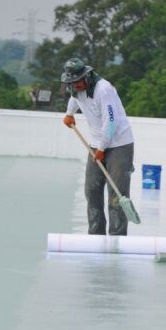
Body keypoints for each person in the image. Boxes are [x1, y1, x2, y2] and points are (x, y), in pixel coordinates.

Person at [60, 57, 134, 236]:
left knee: (117, 194)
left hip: (119, 144)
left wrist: (101, 149)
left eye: (77, 83)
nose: (74, 87)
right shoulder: (76, 89)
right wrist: (69, 114)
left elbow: (110, 123)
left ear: (86, 77)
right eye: (71, 84)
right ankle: (95, 234)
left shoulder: (104, 90)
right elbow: (74, 98)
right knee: (92, 190)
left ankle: (117, 236)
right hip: (96, 145)